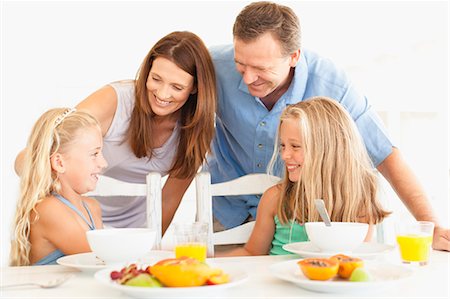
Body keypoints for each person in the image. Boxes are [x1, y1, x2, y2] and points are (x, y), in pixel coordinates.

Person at [207, 1, 449, 251]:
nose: (247, 78)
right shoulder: (212, 65)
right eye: (241, 64)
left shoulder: (333, 85)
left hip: (302, 221)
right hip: (228, 211)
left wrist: (430, 226)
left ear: (294, 57)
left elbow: (385, 155)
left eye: (260, 68)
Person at [15, 31, 217, 232]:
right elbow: (34, 158)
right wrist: (61, 207)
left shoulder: (195, 131)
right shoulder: (115, 101)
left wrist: (147, 248)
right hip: (79, 221)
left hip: (135, 232)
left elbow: (168, 201)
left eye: (177, 87)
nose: (162, 94)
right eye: (156, 79)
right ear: (147, 72)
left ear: (194, 88)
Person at [219, 97, 391, 256]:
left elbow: (355, 261)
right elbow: (251, 254)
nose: (285, 155)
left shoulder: (360, 202)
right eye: (283, 146)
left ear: (328, 151)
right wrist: (206, 260)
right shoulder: (274, 198)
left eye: (295, 146)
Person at [10, 108, 107, 266]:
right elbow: (101, 261)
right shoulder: (48, 210)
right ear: (59, 163)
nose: (104, 163)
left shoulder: (92, 207)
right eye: (94, 154)